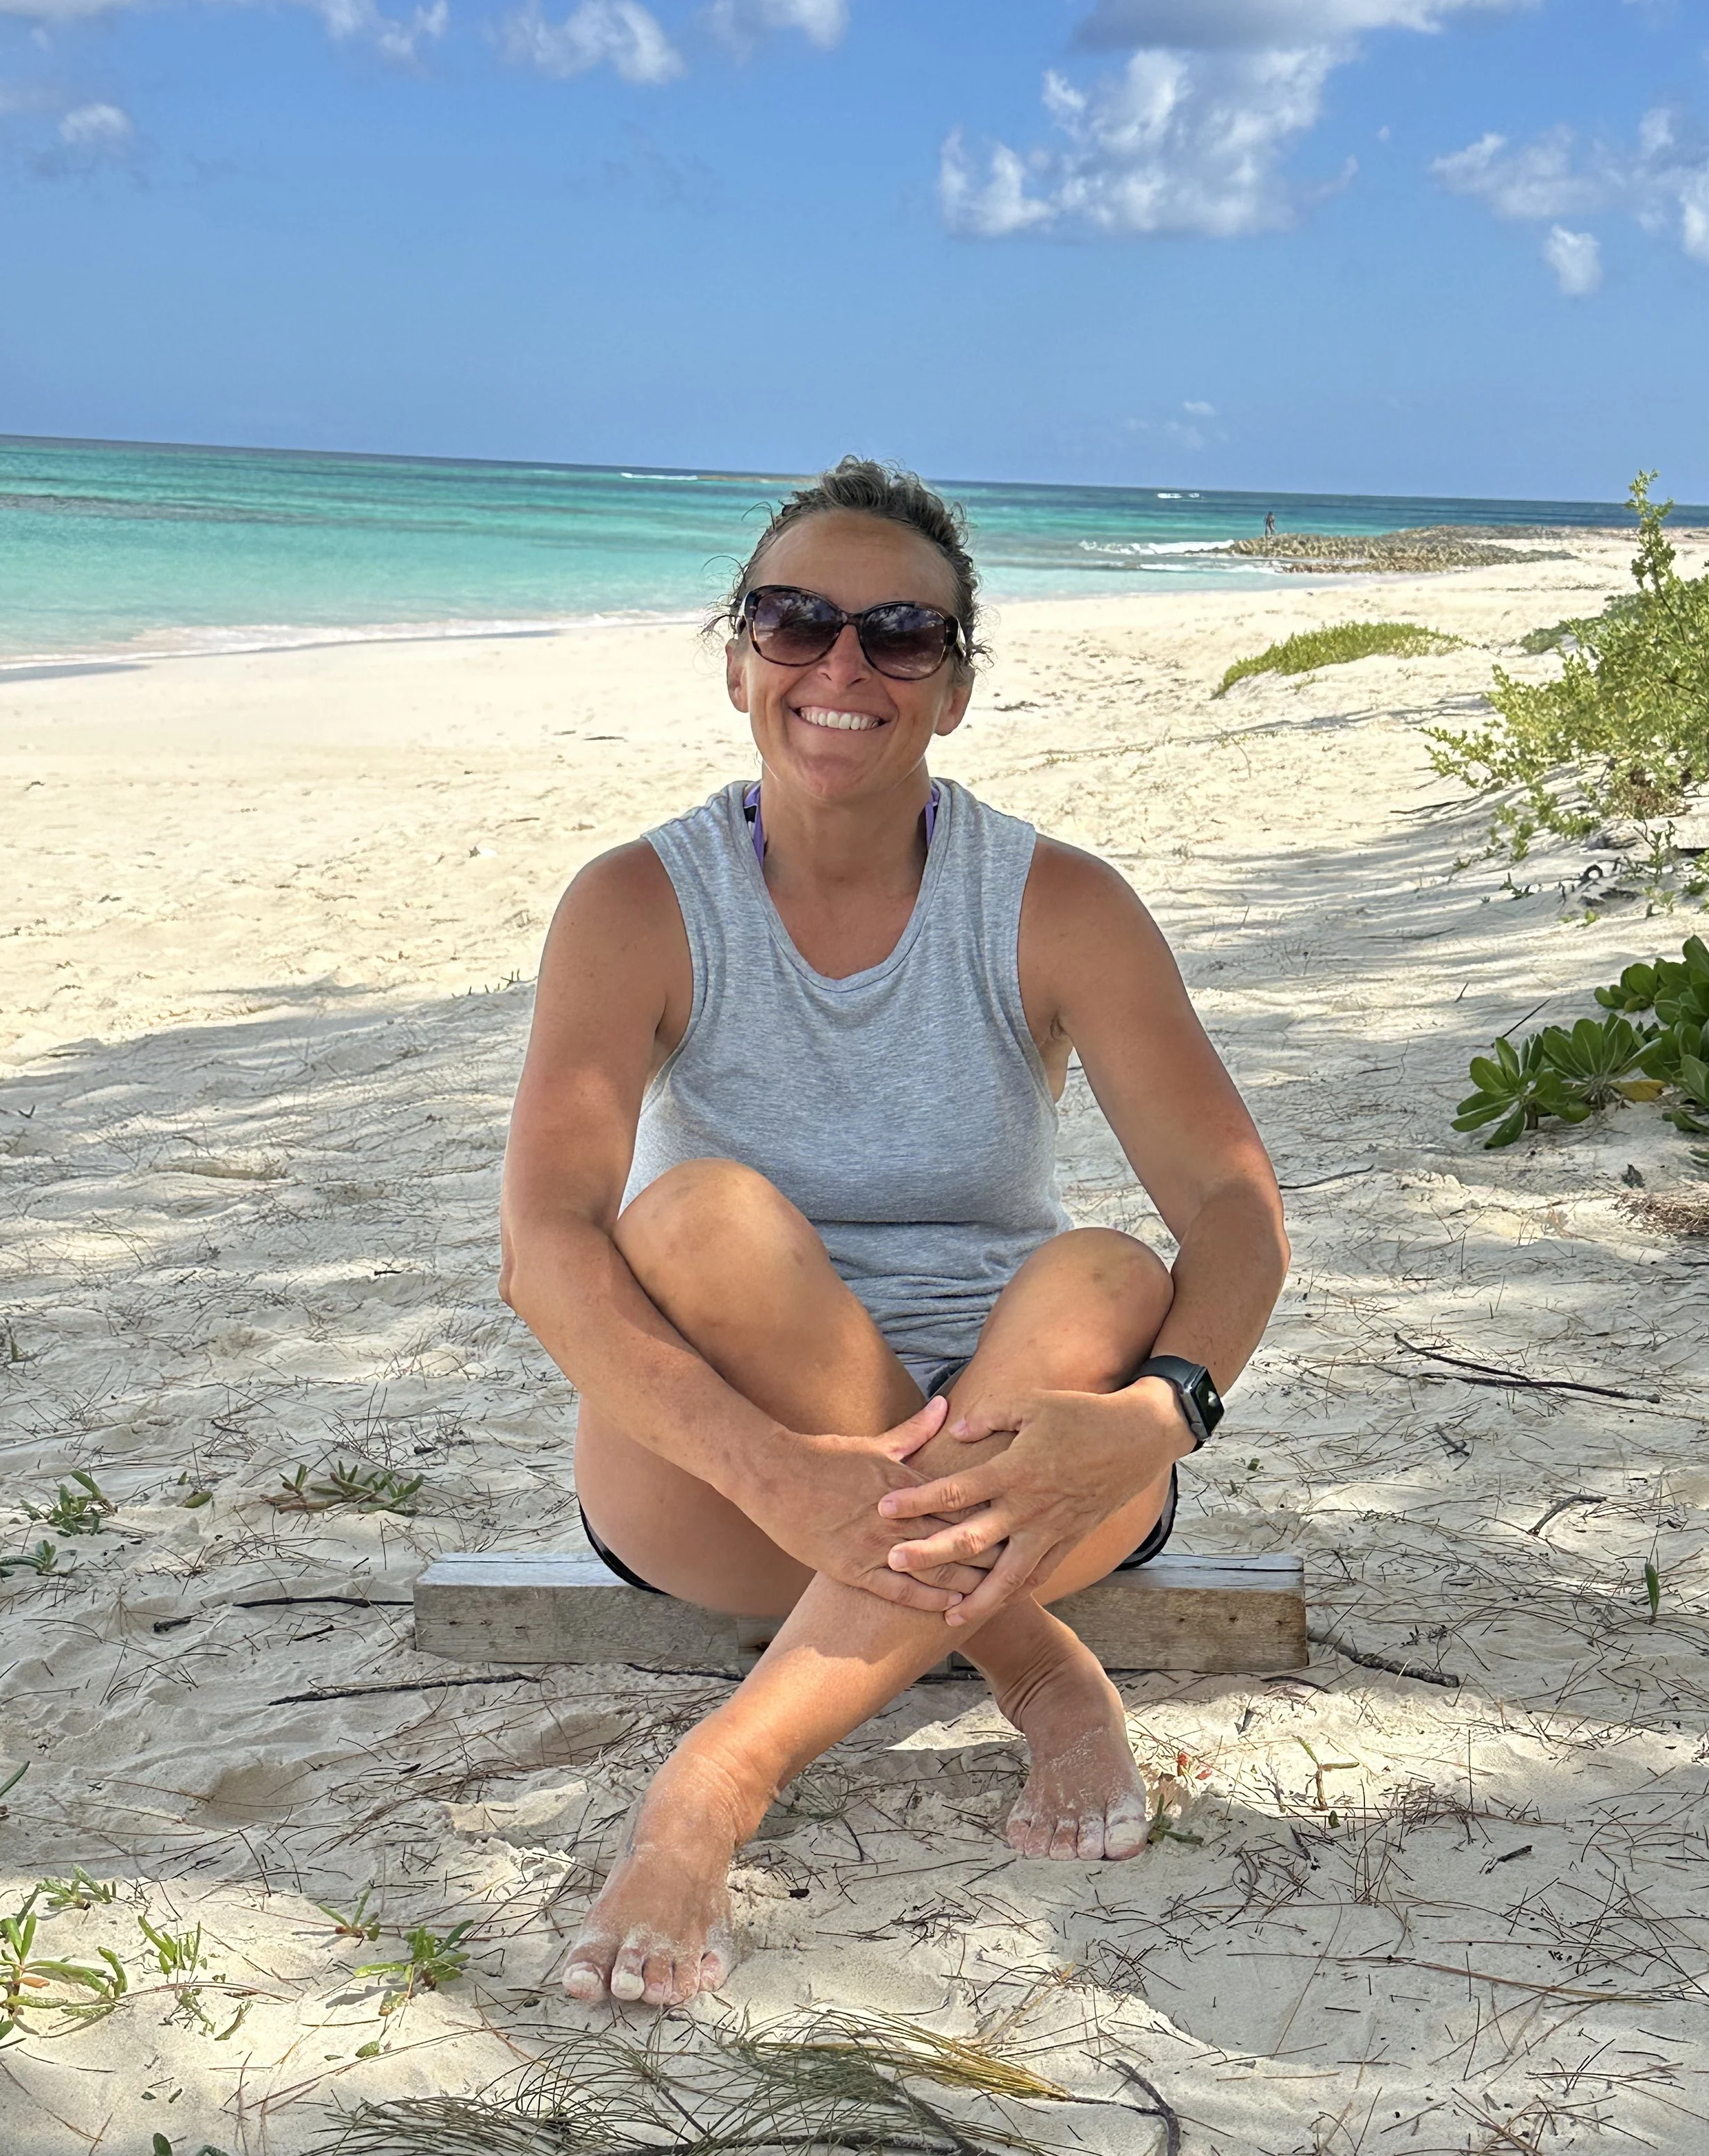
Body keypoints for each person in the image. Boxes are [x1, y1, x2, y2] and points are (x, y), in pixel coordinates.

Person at [499, 457, 1288, 2008]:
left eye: (898, 635)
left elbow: (1230, 1209)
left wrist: (1154, 1411)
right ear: (737, 662)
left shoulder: (1054, 902)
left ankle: (710, 1787)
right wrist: (768, 1464)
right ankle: (1032, 1662)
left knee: (1108, 1271)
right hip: (729, 1488)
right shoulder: (635, 904)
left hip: (1038, 1471)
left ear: (954, 687)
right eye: (794, 621)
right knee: (704, 1215)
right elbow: (548, 1243)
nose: (841, 665)